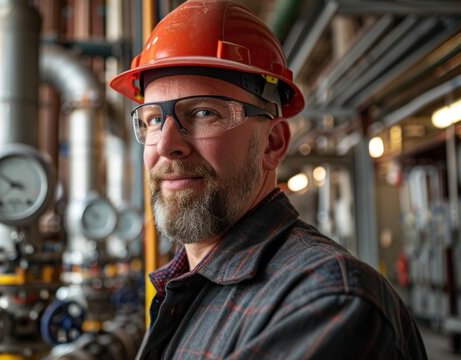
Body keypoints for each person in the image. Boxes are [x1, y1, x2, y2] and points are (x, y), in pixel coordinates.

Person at [110, 0, 427, 359]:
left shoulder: (326, 302)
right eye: (153, 119)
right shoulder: (185, 287)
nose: (166, 145)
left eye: (203, 112)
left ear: (272, 144)